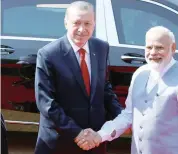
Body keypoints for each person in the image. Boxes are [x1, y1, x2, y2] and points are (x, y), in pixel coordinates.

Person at [77, 26, 178, 154]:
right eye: (149, 47)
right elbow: (128, 115)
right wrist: (100, 135)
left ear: (173, 48)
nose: (153, 52)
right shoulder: (140, 73)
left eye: (159, 47)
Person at [34, 1, 122, 154]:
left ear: (94, 24)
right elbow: (46, 103)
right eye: (77, 23)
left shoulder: (101, 48)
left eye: (87, 23)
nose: (82, 29)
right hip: (60, 142)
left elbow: (104, 88)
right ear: (66, 22)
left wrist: (121, 119)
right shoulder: (48, 54)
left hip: (94, 140)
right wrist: (77, 133)